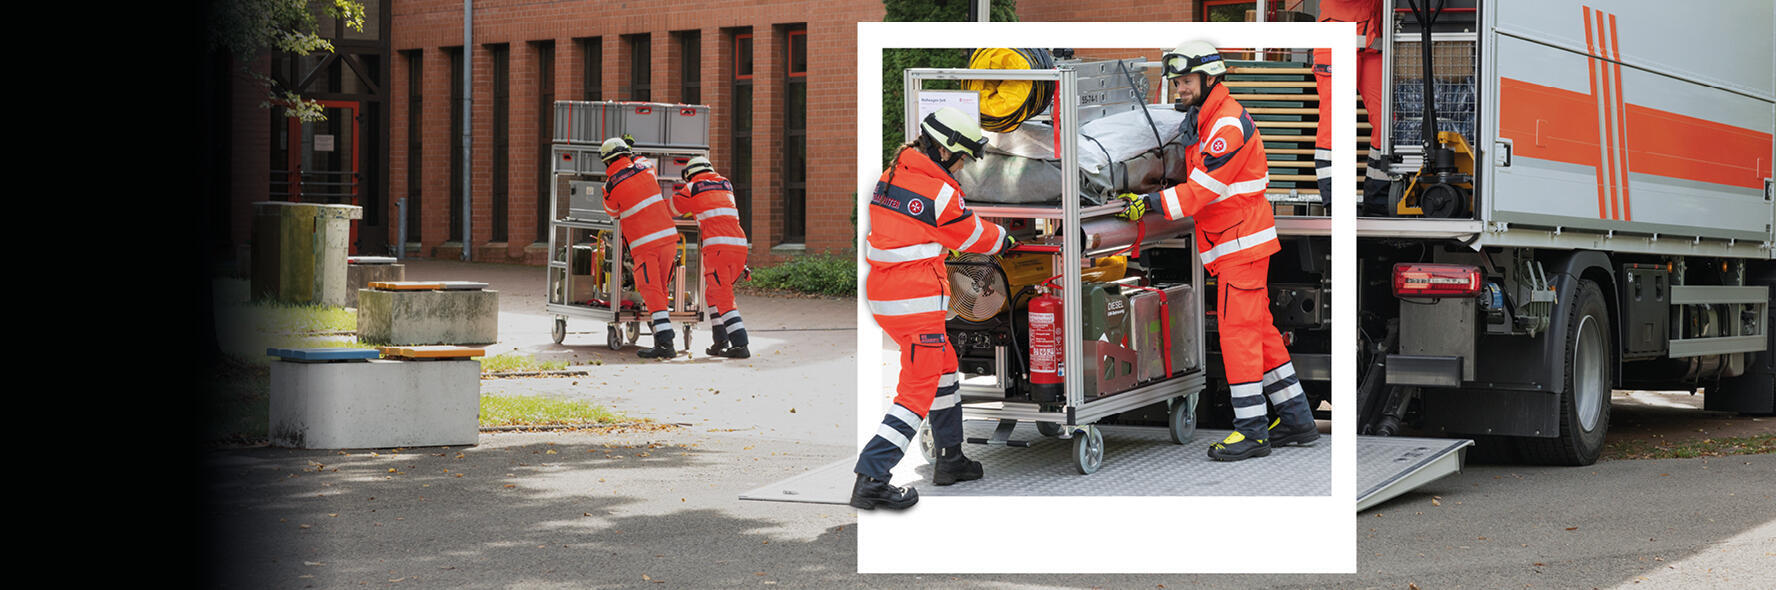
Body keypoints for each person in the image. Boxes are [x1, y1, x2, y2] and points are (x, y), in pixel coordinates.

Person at [1116, 41, 1319, 462]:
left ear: (1211, 79)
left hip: (1239, 245)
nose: (1180, 89)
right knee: (1259, 331)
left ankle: (1252, 431)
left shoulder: (1225, 126)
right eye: (1177, 81)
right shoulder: (1206, 117)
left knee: (1239, 335)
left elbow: (1201, 192)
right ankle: (1297, 418)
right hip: (1236, 243)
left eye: (1187, 81)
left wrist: (1150, 203)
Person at [852, 107, 1014, 510]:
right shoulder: (939, 192)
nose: (961, 167)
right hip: (916, 298)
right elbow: (974, 235)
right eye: (961, 159)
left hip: (887, 294)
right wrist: (1006, 240)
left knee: (942, 365)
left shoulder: (891, 176)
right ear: (945, 151)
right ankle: (872, 477)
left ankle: (951, 458)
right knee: (915, 392)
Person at [599, 137, 683, 359]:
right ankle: (662, 339)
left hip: (644, 245)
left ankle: (666, 344)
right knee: (662, 289)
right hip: (668, 239)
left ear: (607, 162)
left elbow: (613, 212)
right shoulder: (646, 166)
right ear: (627, 153)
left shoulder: (610, 186)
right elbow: (642, 162)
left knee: (650, 289)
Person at [1313, 0, 1393, 213]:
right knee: (1335, 123)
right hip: (1337, 40)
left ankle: (1379, 199)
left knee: (1387, 122)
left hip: (1375, 43)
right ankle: (1335, 202)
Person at [670, 157, 752, 359]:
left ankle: (740, 344)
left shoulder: (693, 187)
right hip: (739, 246)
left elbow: (672, 208)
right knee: (713, 293)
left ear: (689, 174)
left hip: (717, 249)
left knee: (723, 295)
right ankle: (720, 340)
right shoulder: (725, 184)